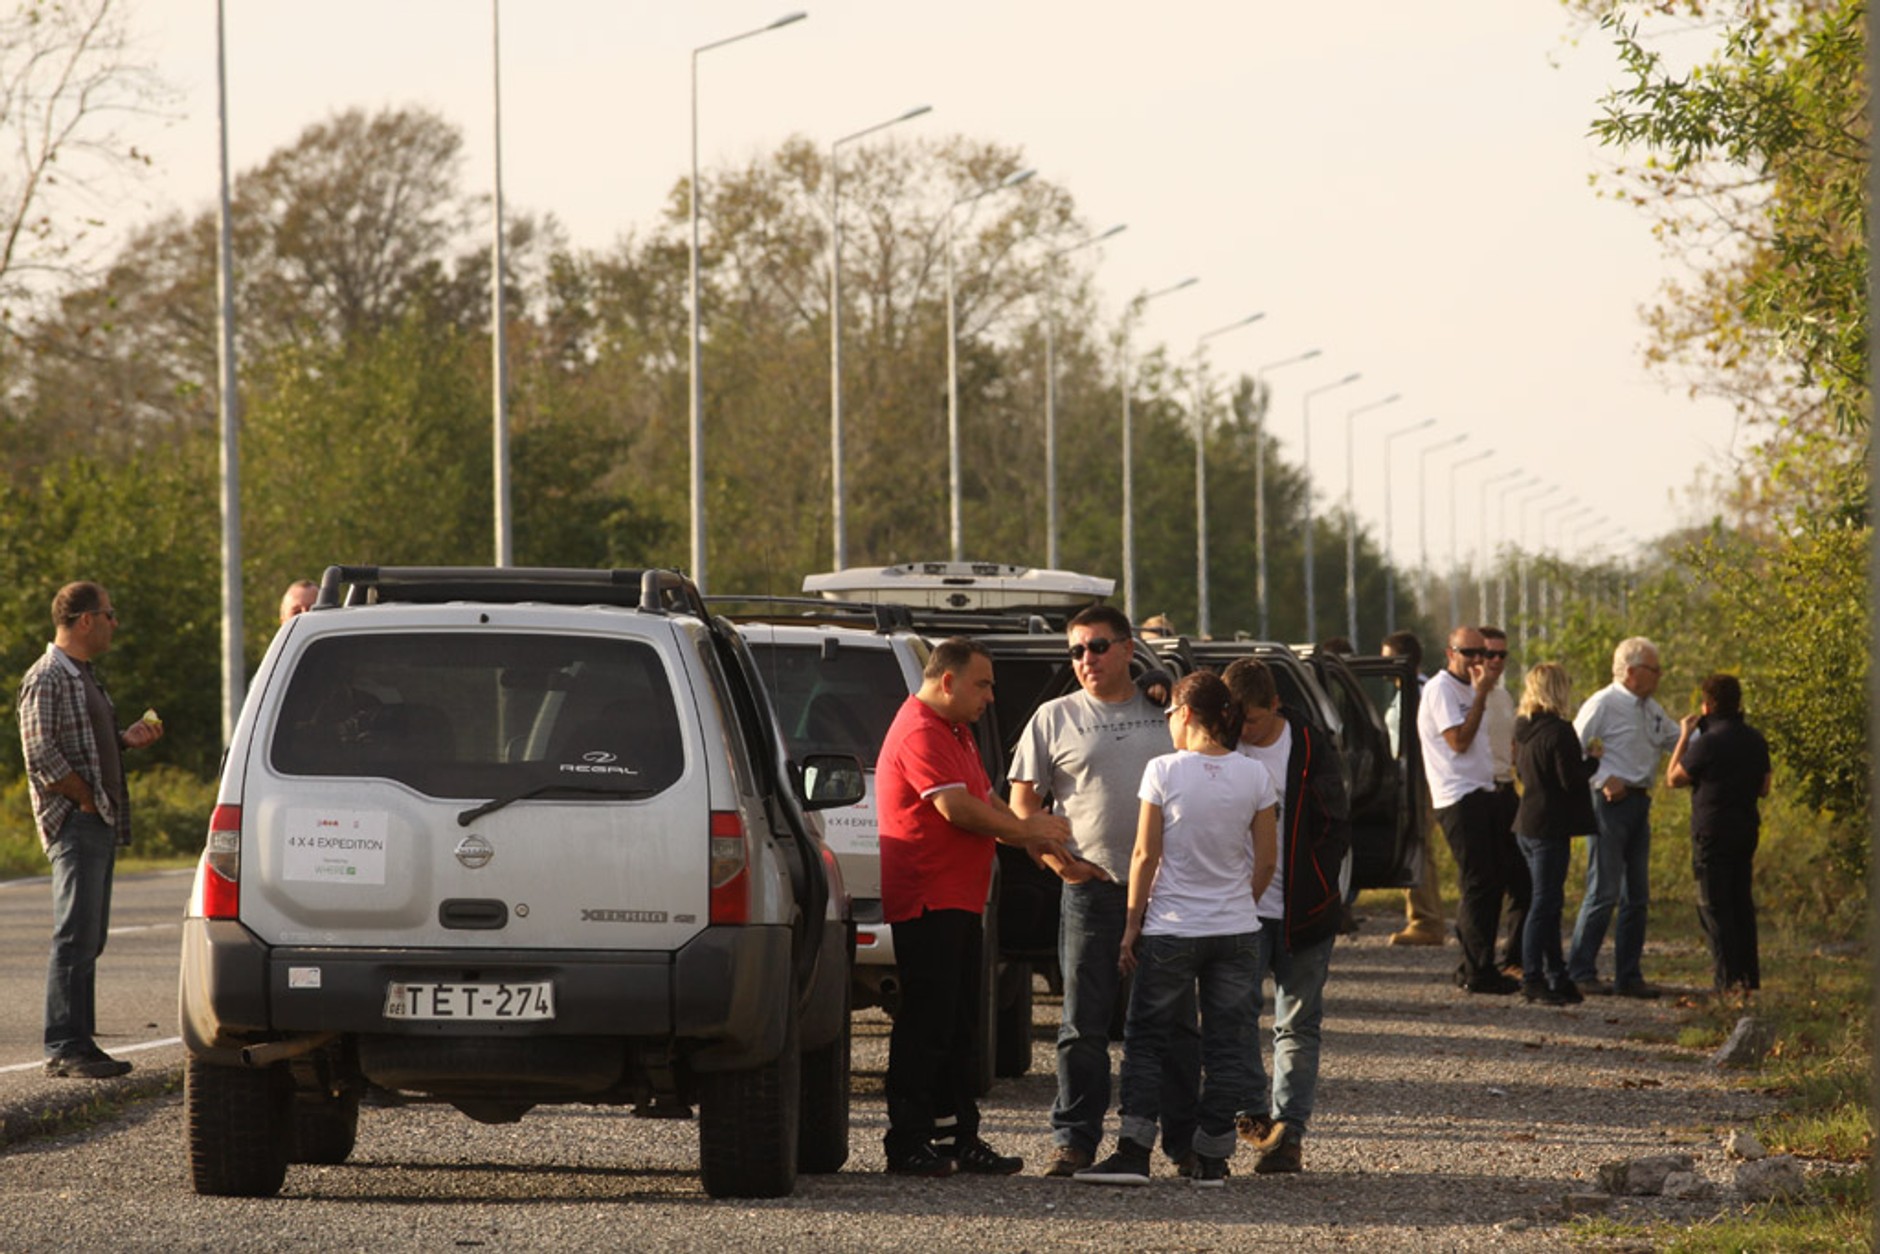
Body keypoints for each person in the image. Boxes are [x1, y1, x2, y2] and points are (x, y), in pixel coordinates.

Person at [1010, 605, 1202, 1178]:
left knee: (1175, 1023)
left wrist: (1166, 685)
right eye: (1075, 651)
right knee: (1082, 1024)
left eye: (1097, 646)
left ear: (1127, 650)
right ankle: (1074, 1140)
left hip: (1167, 893)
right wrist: (1058, 863)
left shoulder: (1166, 710)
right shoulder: (1054, 717)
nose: (1085, 659)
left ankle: (1183, 1144)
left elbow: (1211, 758)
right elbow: (1023, 806)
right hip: (1092, 891)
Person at [877, 637, 1072, 1176]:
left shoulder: (953, 730)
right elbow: (956, 807)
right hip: (929, 899)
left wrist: (1024, 834)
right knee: (927, 1023)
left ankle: (956, 1136)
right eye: (982, 684)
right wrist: (1026, 829)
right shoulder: (920, 729)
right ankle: (907, 1139)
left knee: (959, 1023)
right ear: (948, 681)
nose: (990, 696)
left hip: (959, 899)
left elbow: (984, 797)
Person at [1075, 672, 1277, 1188]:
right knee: (1227, 1045)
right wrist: (1239, 905)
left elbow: (1145, 854)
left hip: (1172, 927)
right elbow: (1266, 861)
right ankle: (1211, 1158)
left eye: (1169, 716)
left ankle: (1133, 1152)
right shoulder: (1255, 775)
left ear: (1184, 713)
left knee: (1147, 1039)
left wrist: (1131, 924)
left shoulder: (1163, 770)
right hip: (1236, 929)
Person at [17, 581, 164, 1078]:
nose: (114, 623)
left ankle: (81, 1041)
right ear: (85, 620)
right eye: (109, 614)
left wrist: (123, 740)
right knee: (74, 934)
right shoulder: (47, 677)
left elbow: (81, 744)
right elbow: (40, 754)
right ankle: (64, 1045)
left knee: (90, 936)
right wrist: (83, 798)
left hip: (95, 818)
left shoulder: (83, 676)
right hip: (75, 821)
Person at [1222, 656, 1351, 1174]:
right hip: (1239, 913)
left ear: (1275, 705)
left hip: (1303, 912)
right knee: (1233, 1018)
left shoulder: (1310, 746)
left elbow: (1335, 823)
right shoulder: (1219, 743)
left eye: (1252, 720)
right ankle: (1254, 1116)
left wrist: (1317, 887)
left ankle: (1289, 1134)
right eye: (1235, 719)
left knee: (1297, 1026)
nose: (1243, 730)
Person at [1566, 637, 1680, 999]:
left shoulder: (1651, 709)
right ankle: (1580, 970)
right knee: (1604, 890)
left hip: (1639, 802)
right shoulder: (1603, 704)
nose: (1659, 675)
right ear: (1631, 672)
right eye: (1653, 669)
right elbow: (1570, 750)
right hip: (1610, 804)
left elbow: (1676, 739)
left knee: (1636, 894)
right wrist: (1600, 779)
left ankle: (1628, 975)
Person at [1415, 626, 1517, 994]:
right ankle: (1477, 970)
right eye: (1468, 652)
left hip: (1484, 790)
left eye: (1483, 653)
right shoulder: (1441, 689)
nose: (1478, 660)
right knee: (1478, 882)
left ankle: (1475, 965)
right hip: (1458, 796)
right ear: (1450, 653)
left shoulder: (1475, 688)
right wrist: (1481, 695)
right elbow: (1458, 741)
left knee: (1493, 881)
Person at [1666, 674, 1772, 995]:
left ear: (1707, 705)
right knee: (1741, 904)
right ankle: (1748, 979)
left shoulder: (1708, 742)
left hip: (1711, 832)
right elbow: (1764, 787)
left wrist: (1684, 736)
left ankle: (1726, 982)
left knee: (1714, 906)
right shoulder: (1755, 739)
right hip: (1745, 829)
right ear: (1738, 702)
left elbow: (1673, 778)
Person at [1512, 663, 1600, 1006]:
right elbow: (1570, 780)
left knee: (1547, 902)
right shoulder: (1560, 731)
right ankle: (1533, 977)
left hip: (1527, 823)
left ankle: (1556, 975)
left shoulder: (1524, 728)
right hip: (1550, 827)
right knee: (1544, 904)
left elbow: (1523, 773)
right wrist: (1592, 761)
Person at [1382, 630, 1445, 948]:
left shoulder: (1418, 692)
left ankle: (1426, 919)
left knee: (1418, 847)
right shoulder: (1410, 690)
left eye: (1387, 658)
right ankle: (1422, 916)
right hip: (1412, 779)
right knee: (1416, 846)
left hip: (1419, 781)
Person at [1478, 627, 1529, 973]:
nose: (1496, 661)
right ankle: (1480, 961)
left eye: (1502, 655)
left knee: (1523, 880)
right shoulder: (1465, 695)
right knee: (1486, 883)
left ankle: (1515, 956)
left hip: (1507, 788)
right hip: (1480, 792)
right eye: (1489, 654)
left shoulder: (1504, 696)